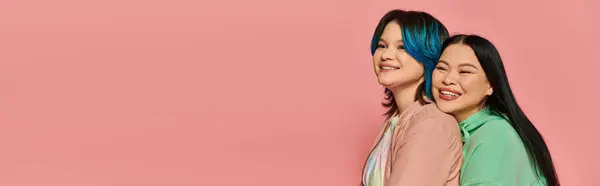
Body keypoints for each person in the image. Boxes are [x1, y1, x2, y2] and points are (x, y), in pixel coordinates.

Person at [431, 34, 560, 186]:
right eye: (441, 68)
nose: (448, 79)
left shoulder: (494, 134)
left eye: (465, 72)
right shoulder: (463, 130)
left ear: (490, 85)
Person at [360, 9, 462, 186]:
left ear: (428, 56)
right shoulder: (396, 122)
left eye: (402, 47)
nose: (386, 55)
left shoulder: (431, 124)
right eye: (382, 45)